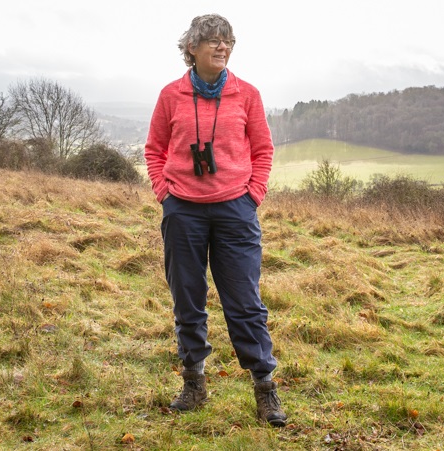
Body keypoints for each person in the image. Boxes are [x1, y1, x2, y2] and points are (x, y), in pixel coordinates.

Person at [144, 13, 286, 427]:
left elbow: (263, 150)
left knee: (244, 303)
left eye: (227, 41)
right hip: (183, 210)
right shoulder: (171, 95)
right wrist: (164, 193)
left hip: (235, 211)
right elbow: (153, 149)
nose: (222, 47)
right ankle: (194, 382)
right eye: (213, 41)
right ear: (192, 48)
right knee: (187, 300)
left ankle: (265, 387)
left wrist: (253, 195)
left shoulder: (247, 95)